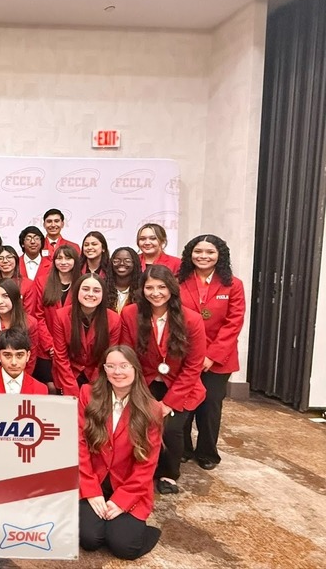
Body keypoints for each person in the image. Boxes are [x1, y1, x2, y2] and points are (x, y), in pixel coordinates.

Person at [120, 265, 206, 494]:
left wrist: (168, 404)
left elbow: (193, 366)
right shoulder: (130, 314)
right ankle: (138, 470)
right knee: (136, 423)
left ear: (171, 289)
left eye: (161, 287)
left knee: (170, 429)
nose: (155, 293)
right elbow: (127, 356)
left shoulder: (192, 319)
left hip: (180, 384)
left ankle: (168, 473)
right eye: (149, 287)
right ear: (142, 289)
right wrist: (136, 392)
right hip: (143, 381)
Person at [78, 345, 163, 560]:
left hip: (128, 485)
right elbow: (79, 446)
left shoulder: (152, 408)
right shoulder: (87, 394)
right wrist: (91, 490)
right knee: (90, 540)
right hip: (94, 480)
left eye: (124, 366)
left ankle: (141, 531)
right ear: (104, 370)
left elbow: (147, 465)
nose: (117, 372)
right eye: (111, 366)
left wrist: (121, 501)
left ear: (135, 369)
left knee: (124, 547)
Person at [178, 235, 246, 470]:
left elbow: (233, 323)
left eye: (210, 252)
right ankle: (183, 449)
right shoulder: (179, 281)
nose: (203, 256)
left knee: (210, 405)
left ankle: (207, 453)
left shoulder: (233, 284)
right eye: (198, 251)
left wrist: (211, 356)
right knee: (183, 402)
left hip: (218, 360)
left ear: (220, 255)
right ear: (190, 254)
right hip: (185, 355)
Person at [50, 274, 121, 397]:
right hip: (67, 374)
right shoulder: (61, 316)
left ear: (103, 294)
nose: (90, 294)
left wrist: (93, 387)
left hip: (98, 375)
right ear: (77, 291)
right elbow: (61, 357)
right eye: (85, 289)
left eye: (96, 290)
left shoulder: (114, 319)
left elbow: (107, 357)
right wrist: (72, 391)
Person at [33, 245, 81, 390]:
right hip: (46, 349)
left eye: (68, 258)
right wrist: (50, 345)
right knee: (50, 388)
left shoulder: (82, 283)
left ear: (75, 261)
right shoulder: (42, 282)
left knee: (70, 386)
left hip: (73, 347)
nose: (63, 262)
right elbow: (38, 316)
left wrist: (64, 345)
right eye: (59, 258)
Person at [0, 278, 39, 376]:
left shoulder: (30, 323)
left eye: (5, 296)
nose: (0, 301)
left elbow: (30, 360)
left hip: (21, 377)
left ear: (14, 297)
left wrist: (18, 381)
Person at [0, 329, 48, 394]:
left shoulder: (40, 389)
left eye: (19, 355)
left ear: (28, 356)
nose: (14, 362)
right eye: (7, 355)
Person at [0, 245, 36, 315]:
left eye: (9, 257)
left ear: (16, 260)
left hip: (20, 321)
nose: (5, 261)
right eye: (0, 258)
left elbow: (28, 313)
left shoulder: (27, 284)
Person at [107, 247, 141, 314]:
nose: (122, 263)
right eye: (117, 261)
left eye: (127, 261)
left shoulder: (141, 289)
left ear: (134, 263)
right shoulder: (103, 288)